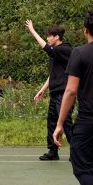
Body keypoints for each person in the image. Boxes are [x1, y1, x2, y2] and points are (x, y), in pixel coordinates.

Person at [53, 11, 93, 185]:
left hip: (89, 120)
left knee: (81, 168)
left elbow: (70, 91)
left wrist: (60, 124)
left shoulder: (79, 53)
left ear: (85, 30)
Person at [25, 20, 73, 160]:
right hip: (55, 92)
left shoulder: (65, 49)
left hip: (65, 93)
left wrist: (33, 31)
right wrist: (42, 90)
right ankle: (53, 152)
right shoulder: (55, 54)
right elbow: (53, 74)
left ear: (57, 37)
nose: (47, 38)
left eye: (49, 35)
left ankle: (77, 152)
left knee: (65, 122)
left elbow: (47, 48)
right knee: (52, 122)